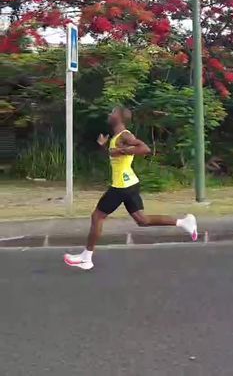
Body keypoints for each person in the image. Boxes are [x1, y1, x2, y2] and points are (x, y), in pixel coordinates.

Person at [64, 107, 198, 270]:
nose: (109, 114)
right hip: (130, 184)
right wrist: (105, 147)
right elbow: (116, 156)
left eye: (112, 112)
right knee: (142, 220)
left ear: (120, 118)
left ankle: (86, 258)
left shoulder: (125, 135)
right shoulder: (116, 137)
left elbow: (144, 149)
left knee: (97, 217)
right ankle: (184, 222)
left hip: (121, 186)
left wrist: (120, 150)